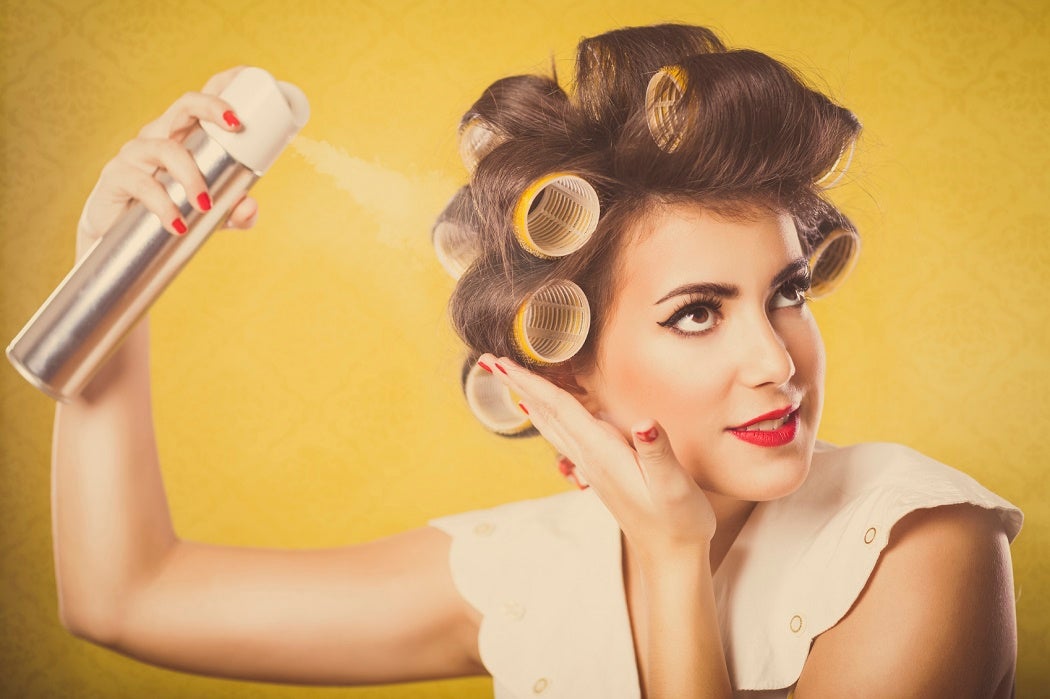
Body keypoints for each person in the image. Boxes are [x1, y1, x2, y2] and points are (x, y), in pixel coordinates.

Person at [52, 23, 1022, 699]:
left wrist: (675, 566)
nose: (777, 361)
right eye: (696, 314)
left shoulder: (913, 545)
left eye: (788, 292)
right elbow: (128, 596)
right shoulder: (538, 570)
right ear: (566, 373)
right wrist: (114, 280)